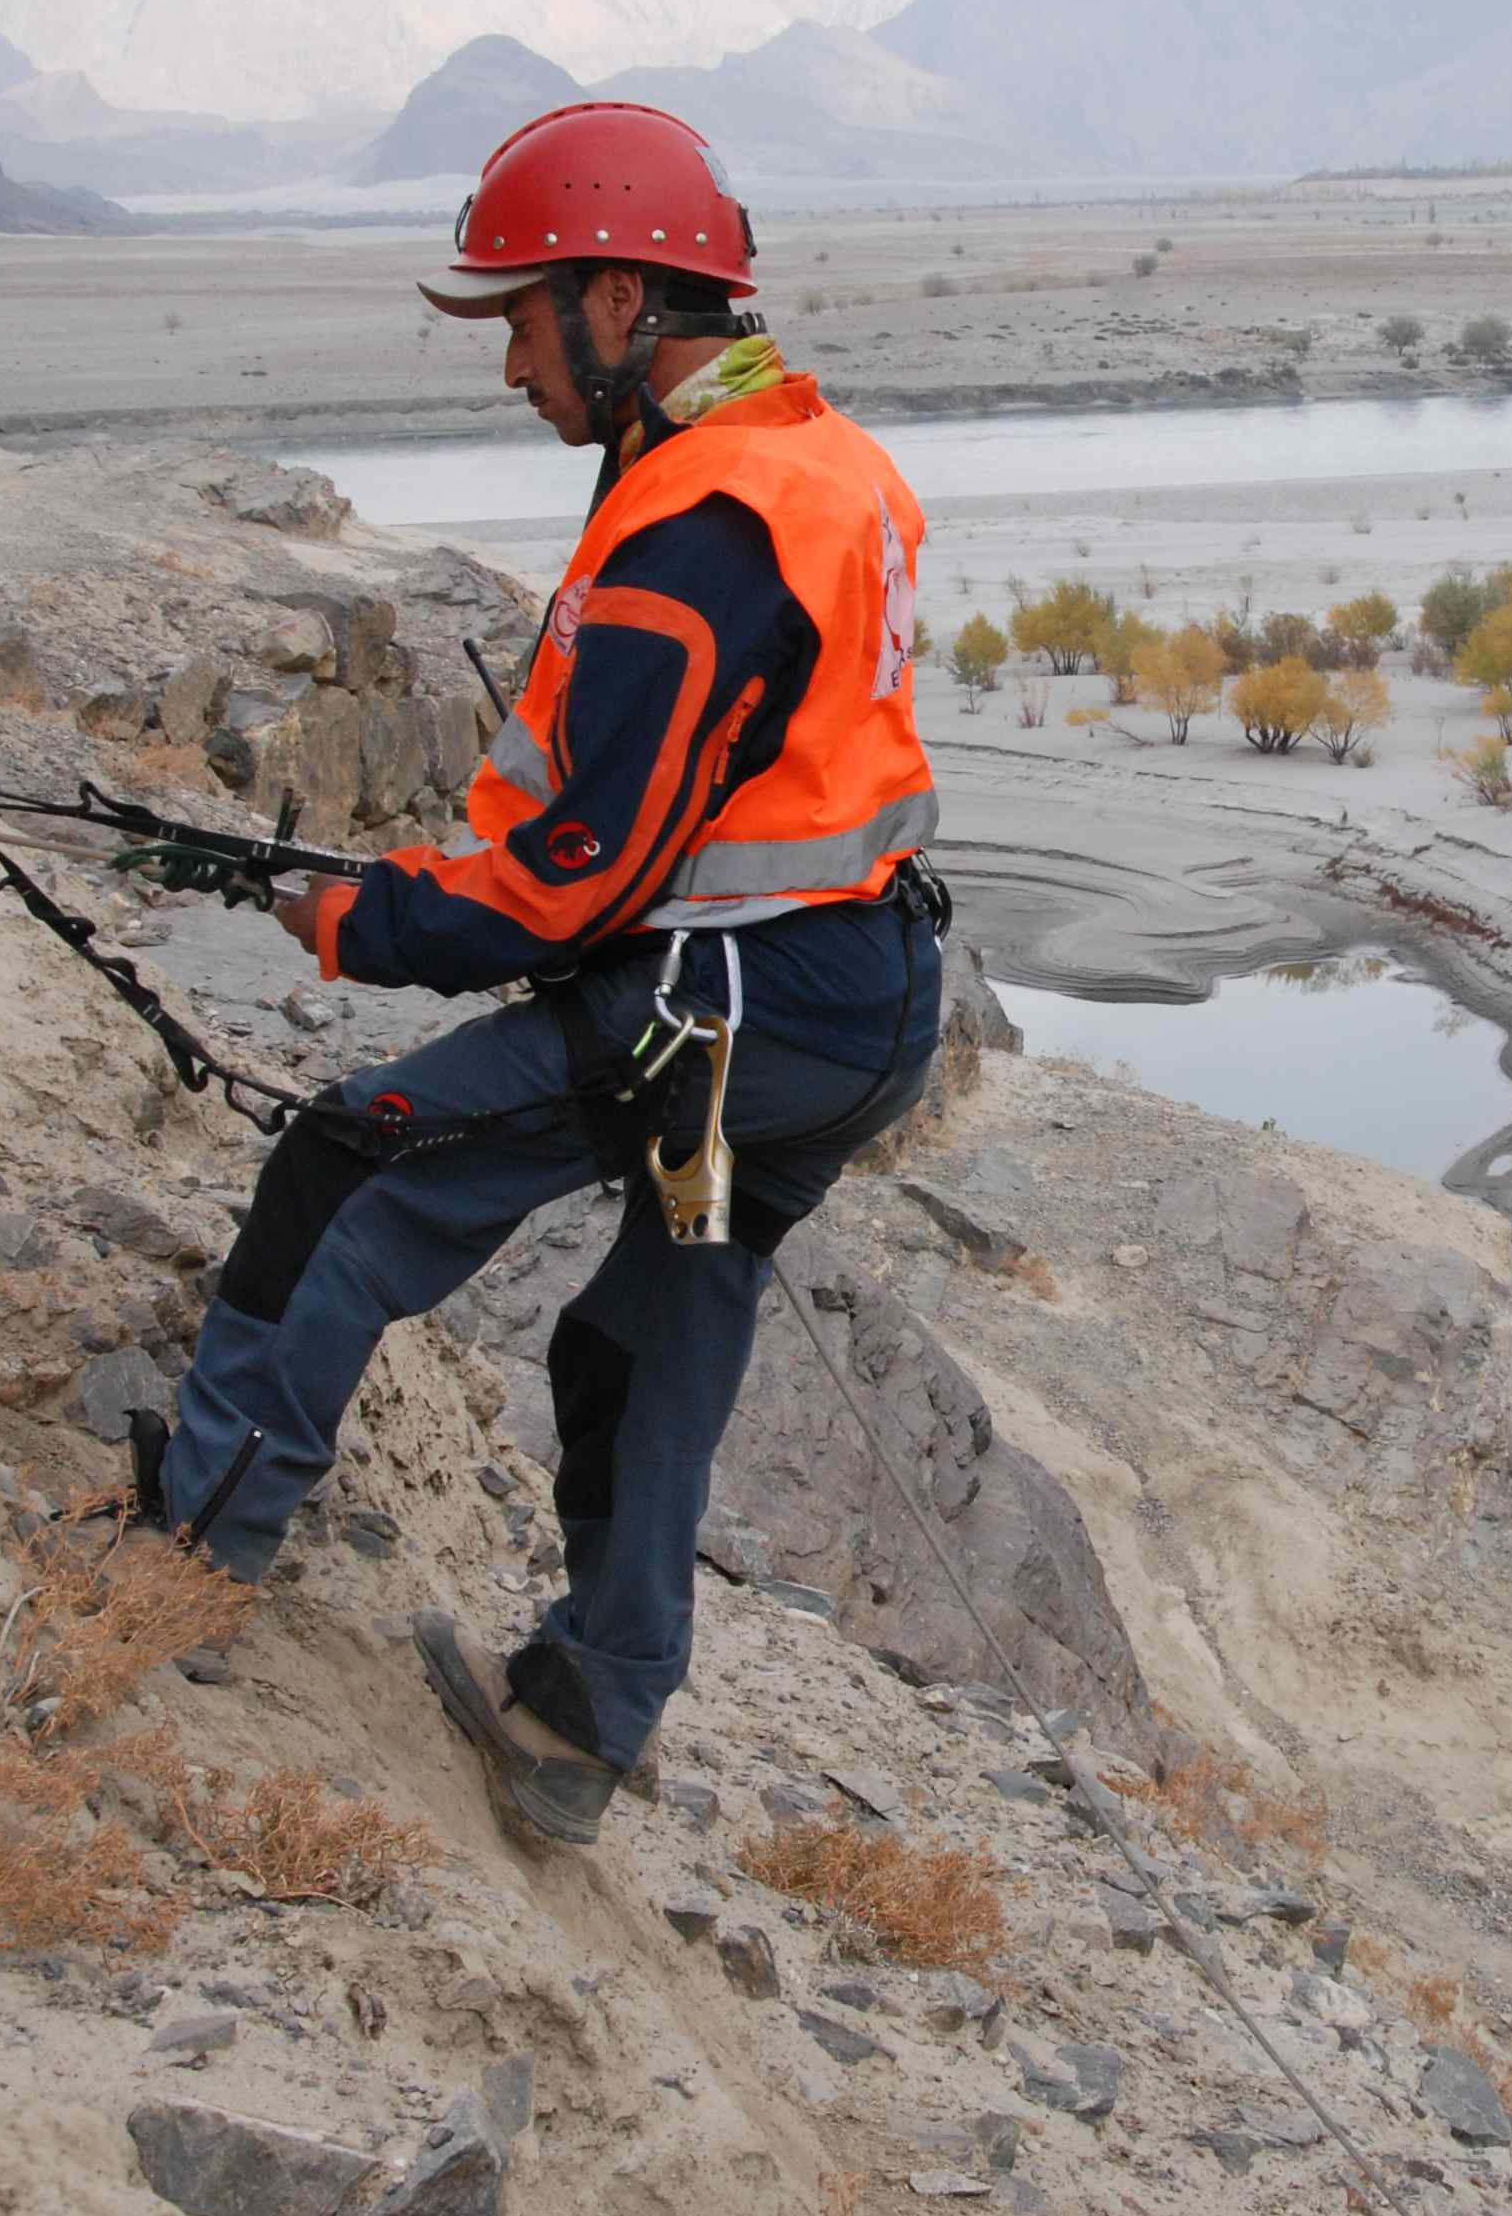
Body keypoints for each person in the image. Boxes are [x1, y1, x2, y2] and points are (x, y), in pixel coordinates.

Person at [129, 101, 944, 1845]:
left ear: (627, 298)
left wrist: (364, 922)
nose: (507, 364)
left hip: (722, 1012)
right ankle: (584, 1718)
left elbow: (578, 885)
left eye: (520, 315)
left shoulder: (697, 533)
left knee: (358, 1166)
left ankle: (189, 1555)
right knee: (654, 1325)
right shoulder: (819, 462)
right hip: (853, 1000)